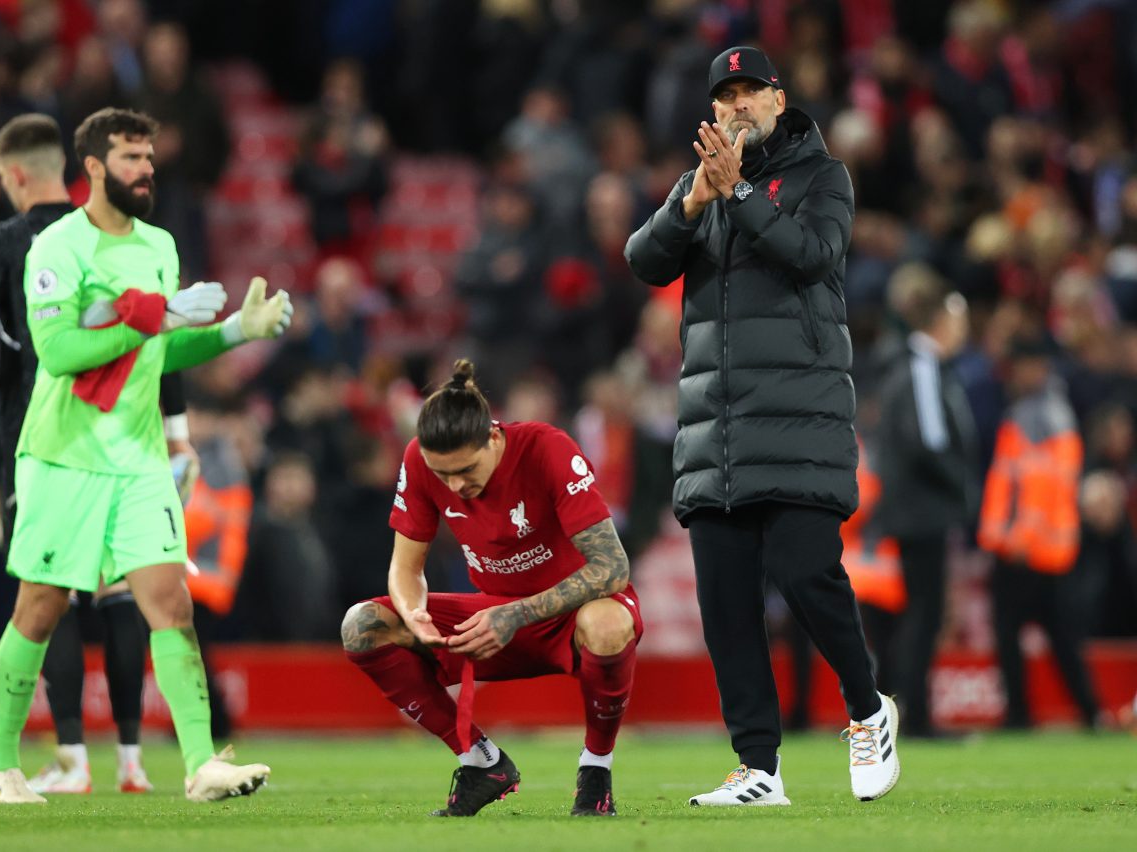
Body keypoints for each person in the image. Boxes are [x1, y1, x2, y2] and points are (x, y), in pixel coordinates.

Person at [0, 107, 292, 804]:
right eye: (130, 159)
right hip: (64, 458)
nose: (146, 170)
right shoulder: (55, 248)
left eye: (149, 157)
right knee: (41, 606)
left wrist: (234, 330)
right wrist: (148, 314)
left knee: (170, 605)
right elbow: (57, 354)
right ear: (91, 168)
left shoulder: (160, 245)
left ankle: (201, 764)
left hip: (140, 461)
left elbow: (160, 348)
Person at [624, 46, 900, 805]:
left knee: (810, 573)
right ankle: (759, 770)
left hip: (800, 420)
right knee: (728, 606)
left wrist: (737, 191)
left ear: (780, 100)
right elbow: (641, 260)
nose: (738, 105)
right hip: (716, 432)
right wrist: (692, 202)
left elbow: (810, 256)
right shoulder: (700, 187)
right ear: (712, 114)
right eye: (725, 97)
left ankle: (868, 708)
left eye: (751, 92)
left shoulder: (824, 177)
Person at [0, 113, 195, 793]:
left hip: (45, 440)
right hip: (133, 434)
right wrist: (178, 428)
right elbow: (158, 340)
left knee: (45, 594)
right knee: (129, 596)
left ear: (15, 174)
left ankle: (70, 756)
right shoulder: (130, 242)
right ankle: (131, 758)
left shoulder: (4, 241)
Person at [341, 359, 640, 817]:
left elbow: (612, 567)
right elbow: (405, 568)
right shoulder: (418, 461)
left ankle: (595, 769)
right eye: (444, 476)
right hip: (491, 617)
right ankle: (480, 761)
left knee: (606, 622)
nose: (456, 486)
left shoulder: (547, 448)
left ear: (493, 438)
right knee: (363, 625)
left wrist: (516, 614)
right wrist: (413, 610)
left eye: (465, 469)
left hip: (568, 616)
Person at [875, 266, 977, 737]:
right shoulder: (921, 366)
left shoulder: (921, 366)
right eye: (958, 321)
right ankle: (915, 716)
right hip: (923, 509)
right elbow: (928, 440)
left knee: (921, 612)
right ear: (939, 321)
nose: (963, 331)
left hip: (919, 507)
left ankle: (909, 712)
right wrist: (963, 487)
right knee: (924, 613)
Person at [978, 334, 1099, 729]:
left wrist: (1017, 540)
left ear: (1040, 368)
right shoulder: (1032, 410)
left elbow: (1043, 486)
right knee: (1051, 638)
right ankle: (1083, 713)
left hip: (1034, 551)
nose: (1016, 374)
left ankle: (1035, 714)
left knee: (1044, 637)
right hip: (1035, 548)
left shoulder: (1044, 414)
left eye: (1023, 366)